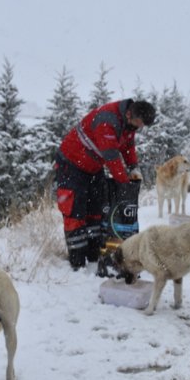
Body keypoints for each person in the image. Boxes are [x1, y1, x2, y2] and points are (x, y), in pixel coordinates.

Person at [54, 99, 156, 270]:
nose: (139, 128)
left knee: (97, 209)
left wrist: (133, 167)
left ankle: (94, 255)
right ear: (130, 114)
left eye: (142, 126)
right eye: (138, 124)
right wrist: (124, 184)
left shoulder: (129, 123)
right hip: (71, 164)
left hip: (93, 166)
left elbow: (128, 146)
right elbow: (111, 156)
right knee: (75, 211)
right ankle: (78, 263)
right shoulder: (107, 120)